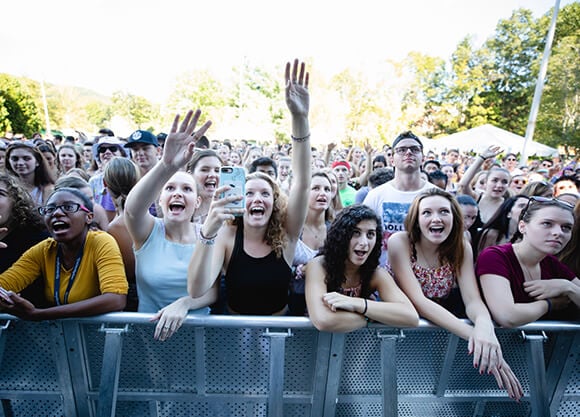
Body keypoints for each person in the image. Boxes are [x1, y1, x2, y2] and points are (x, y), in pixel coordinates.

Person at [188, 59, 312, 315]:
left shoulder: (287, 234)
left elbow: (301, 183)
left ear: (275, 203)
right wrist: (208, 232)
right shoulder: (226, 236)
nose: (257, 199)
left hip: (279, 334)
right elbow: (196, 290)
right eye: (249, 193)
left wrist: (299, 118)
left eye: (265, 194)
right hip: (236, 336)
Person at [387, 188, 523, 400]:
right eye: (427, 213)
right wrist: (476, 338)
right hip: (396, 327)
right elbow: (418, 301)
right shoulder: (400, 241)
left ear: (453, 217)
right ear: (416, 219)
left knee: (427, 391)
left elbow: (473, 300)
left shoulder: (461, 246)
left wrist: (485, 329)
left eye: (443, 211)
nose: (436, 218)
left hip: (436, 330)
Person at [125, 109, 217, 340]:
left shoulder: (207, 234)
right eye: (170, 188)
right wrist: (167, 165)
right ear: (159, 199)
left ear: (197, 202)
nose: (177, 194)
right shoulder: (147, 231)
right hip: (151, 337)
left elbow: (213, 290)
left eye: (186, 189)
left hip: (199, 334)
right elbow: (132, 209)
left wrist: (184, 304)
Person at [0, 188, 128, 319]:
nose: (57, 213)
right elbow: (3, 285)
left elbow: (116, 299)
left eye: (68, 207)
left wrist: (39, 314)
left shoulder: (100, 242)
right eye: (50, 209)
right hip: (62, 336)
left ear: (89, 217)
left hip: (101, 335)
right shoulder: (44, 250)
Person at [305, 204, 418, 331]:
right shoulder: (318, 265)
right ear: (340, 236)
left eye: (370, 234)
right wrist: (371, 316)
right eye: (355, 233)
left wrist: (357, 304)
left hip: (357, 346)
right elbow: (323, 320)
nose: (364, 242)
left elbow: (411, 316)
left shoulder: (376, 274)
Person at [477, 197, 580, 327]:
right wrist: (549, 304)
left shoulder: (551, 263)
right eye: (547, 223)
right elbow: (507, 316)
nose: (558, 233)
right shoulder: (495, 256)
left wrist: (568, 287)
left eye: (566, 227)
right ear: (522, 226)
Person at [363, 131, 437, 265]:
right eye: (401, 150)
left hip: (426, 274)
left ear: (423, 158)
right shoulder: (375, 195)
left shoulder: (437, 195)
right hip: (383, 275)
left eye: (414, 149)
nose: (408, 153)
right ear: (391, 159)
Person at [290, 171, 333, 315]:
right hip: (290, 304)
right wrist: (299, 271)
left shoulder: (336, 231)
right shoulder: (290, 229)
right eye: (316, 188)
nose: (323, 193)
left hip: (326, 305)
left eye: (327, 189)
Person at [104, 157, 140, 311]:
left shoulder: (114, 228)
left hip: (133, 301)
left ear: (105, 184)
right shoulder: (152, 219)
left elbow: (130, 273)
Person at [458, 146, 510, 224]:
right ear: (486, 182)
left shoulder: (509, 206)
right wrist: (481, 158)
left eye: (504, 182)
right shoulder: (476, 197)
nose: (499, 185)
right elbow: (463, 185)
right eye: (495, 180)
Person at [5, 141, 55, 206]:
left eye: (26, 158)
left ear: (37, 161)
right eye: (15, 159)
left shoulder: (48, 190)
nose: (20, 163)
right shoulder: (5, 188)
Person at [185, 149, 223, 225]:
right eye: (204, 170)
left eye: (217, 170)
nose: (212, 175)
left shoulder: (228, 212)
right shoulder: (180, 207)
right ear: (190, 174)